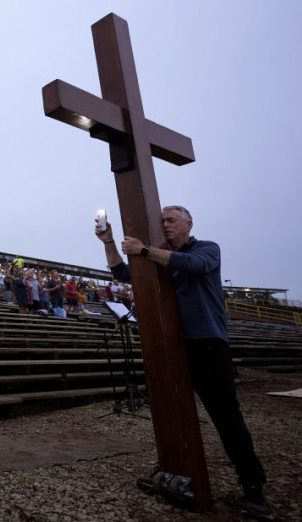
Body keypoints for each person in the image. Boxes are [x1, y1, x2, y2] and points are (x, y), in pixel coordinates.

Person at [95, 205, 272, 520]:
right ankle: (172, 468)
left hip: (207, 343)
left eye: (171, 220)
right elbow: (122, 274)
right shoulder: (158, 256)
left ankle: (253, 486)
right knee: (169, 412)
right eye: (162, 221)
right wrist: (109, 243)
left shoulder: (206, 248)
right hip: (170, 345)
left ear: (189, 224)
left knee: (227, 418)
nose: (165, 225)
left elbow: (196, 265)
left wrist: (145, 249)